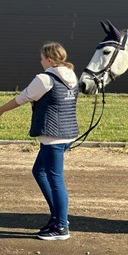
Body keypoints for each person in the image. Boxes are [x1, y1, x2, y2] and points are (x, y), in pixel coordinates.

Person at [0, 42, 79, 240]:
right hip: (68, 132)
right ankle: (58, 217)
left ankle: (61, 226)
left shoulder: (45, 78)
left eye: (42, 58)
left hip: (52, 135)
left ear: (50, 60)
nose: (41, 61)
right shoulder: (71, 75)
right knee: (39, 171)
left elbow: (22, 98)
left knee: (55, 179)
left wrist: (0, 110)